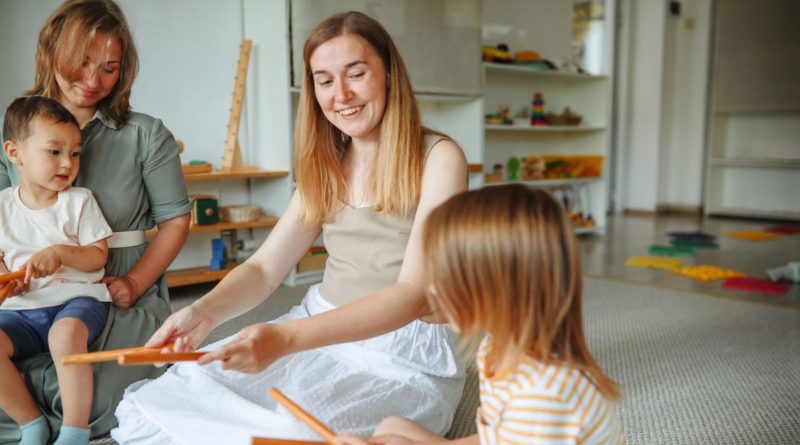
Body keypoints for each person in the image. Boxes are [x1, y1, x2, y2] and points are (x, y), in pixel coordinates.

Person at [112, 10, 468, 445]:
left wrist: (284, 338)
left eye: (356, 74)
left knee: (297, 432)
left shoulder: (440, 157)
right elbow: (264, 270)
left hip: (400, 352)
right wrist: (202, 313)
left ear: (389, 75)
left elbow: (412, 296)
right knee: (179, 393)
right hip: (318, 324)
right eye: (324, 80)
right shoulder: (326, 163)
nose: (341, 94)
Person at [0, 0, 192, 442]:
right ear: (52, 52)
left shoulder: (145, 133)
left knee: (106, 403)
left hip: (114, 285)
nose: (92, 80)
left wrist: (137, 283)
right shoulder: (17, 132)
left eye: (109, 67)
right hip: (30, 289)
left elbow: (176, 221)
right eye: (81, 62)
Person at [335, 185, 626, 445]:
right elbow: (499, 437)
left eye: (448, 277)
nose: (433, 288)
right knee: (392, 426)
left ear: (500, 288)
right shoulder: (494, 350)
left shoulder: (541, 395)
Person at [0, 96, 113, 445]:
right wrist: (8, 283)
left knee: (63, 337)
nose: (68, 162)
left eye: (75, 153)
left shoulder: (79, 201)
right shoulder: (3, 206)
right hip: (21, 311)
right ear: (15, 153)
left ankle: (75, 430)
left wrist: (60, 253)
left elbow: (98, 257)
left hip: (77, 301)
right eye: (54, 152)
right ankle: (31, 423)